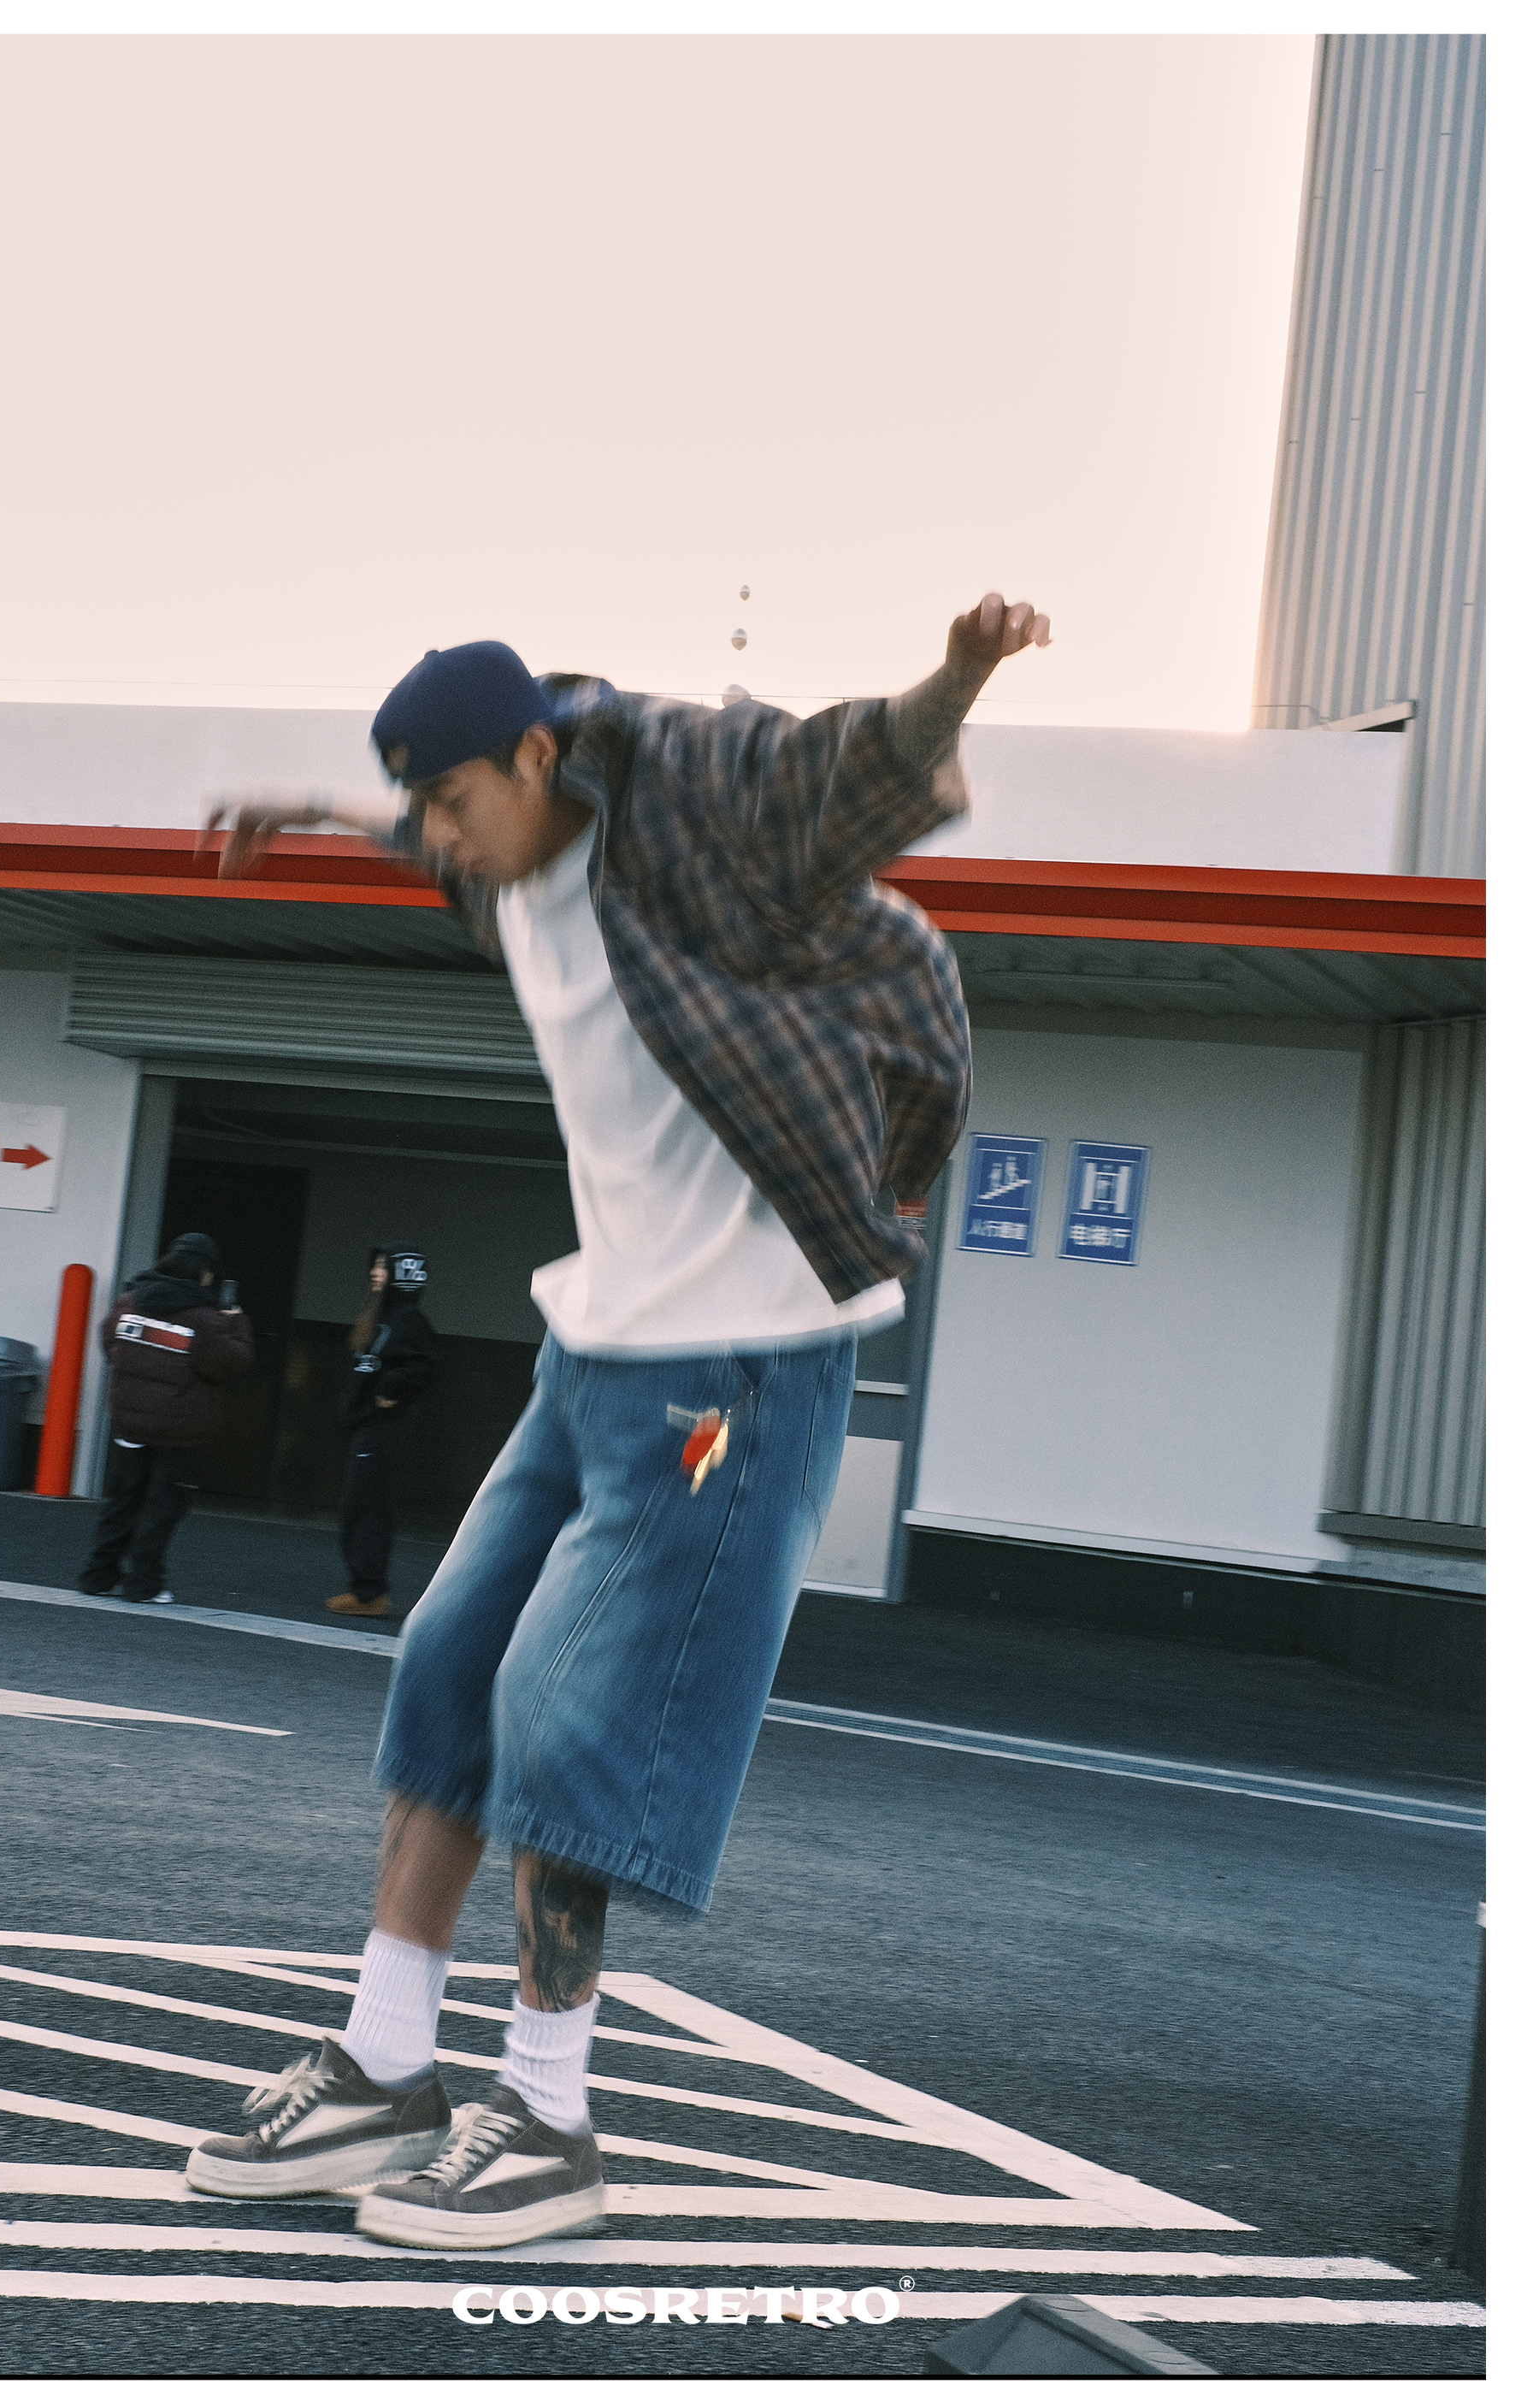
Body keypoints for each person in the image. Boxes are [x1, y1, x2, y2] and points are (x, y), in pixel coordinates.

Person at [186, 592, 1048, 2246]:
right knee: (451, 1661)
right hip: (599, 1345)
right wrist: (318, 810)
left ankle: (549, 2117)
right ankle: (386, 2066)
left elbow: (853, 771)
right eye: (426, 814)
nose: (446, 842)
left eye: (458, 803)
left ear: (537, 757)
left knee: (561, 1698)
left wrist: (960, 673)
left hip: (739, 1364)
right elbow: (429, 830)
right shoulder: (495, 849)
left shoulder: (698, 805)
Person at [78, 1231, 256, 1605]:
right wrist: (237, 1323)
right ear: (205, 1272)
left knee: (123, 1498)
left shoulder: (130, 1302)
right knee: (162, 1505)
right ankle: (143, 1583)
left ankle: (98, 1575)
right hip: (178, 1429)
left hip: (130, 1420)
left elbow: (111, 1343)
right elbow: (230, 1364)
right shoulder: (203, 1319)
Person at [327, 1246, 439, 1620]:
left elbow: (426, 1366)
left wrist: (392, 1390)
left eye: (383, 1267)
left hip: (384, 1429)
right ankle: (365, 1589)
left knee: (367, 1508)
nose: (374, 1273)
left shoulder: (408, 1320)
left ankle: (369, 1594)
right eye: (374, 1266)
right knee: (358, 1506)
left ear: (401, 1274)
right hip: (368, 1426)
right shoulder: (384, 1318)